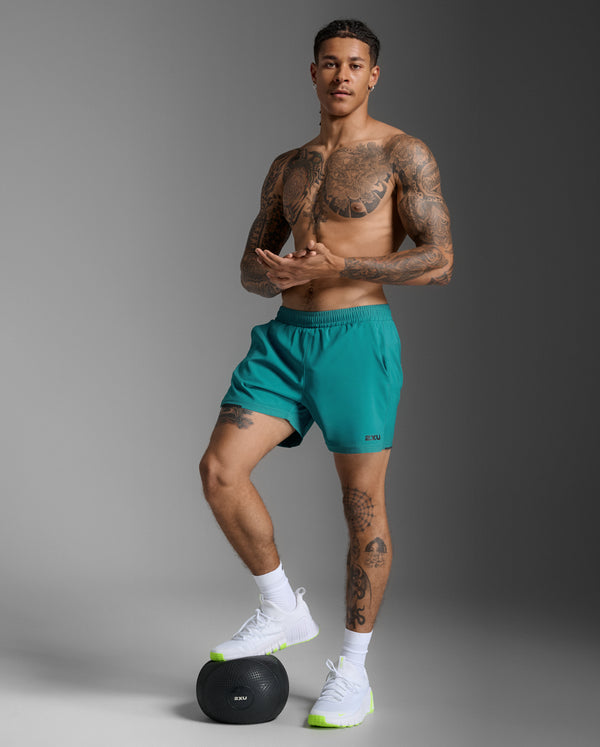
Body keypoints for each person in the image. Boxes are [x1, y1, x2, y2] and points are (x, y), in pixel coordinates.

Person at [199, 18, 453, 728]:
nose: (342, 75)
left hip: (357, 340)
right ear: (312, 72)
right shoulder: (289, 165)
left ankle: (353, 670)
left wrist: (346, 265)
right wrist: (274, 273)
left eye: (355, 64)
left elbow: (440, 259)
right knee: (220, 471)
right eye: (330, 63)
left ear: (374, 75)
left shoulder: (403, 153)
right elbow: (249, 268)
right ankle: (282, 606)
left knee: (361, 505)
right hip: (286, 340)